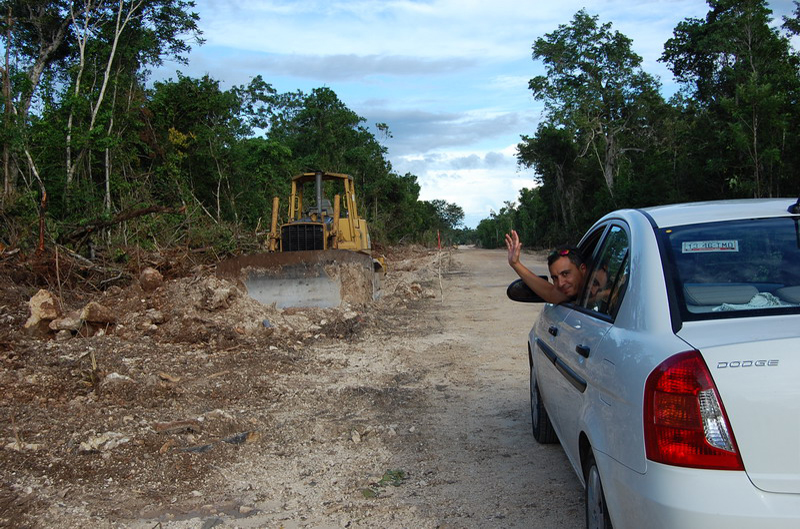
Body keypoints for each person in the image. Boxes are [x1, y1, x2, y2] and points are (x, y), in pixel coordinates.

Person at [505, 229, 587, 304]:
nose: (560, 284)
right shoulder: (573, 296)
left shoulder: (597, 292)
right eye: (555, 278)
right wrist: (515, 263)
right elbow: (550, 292)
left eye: (565, 274)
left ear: (583, 269)